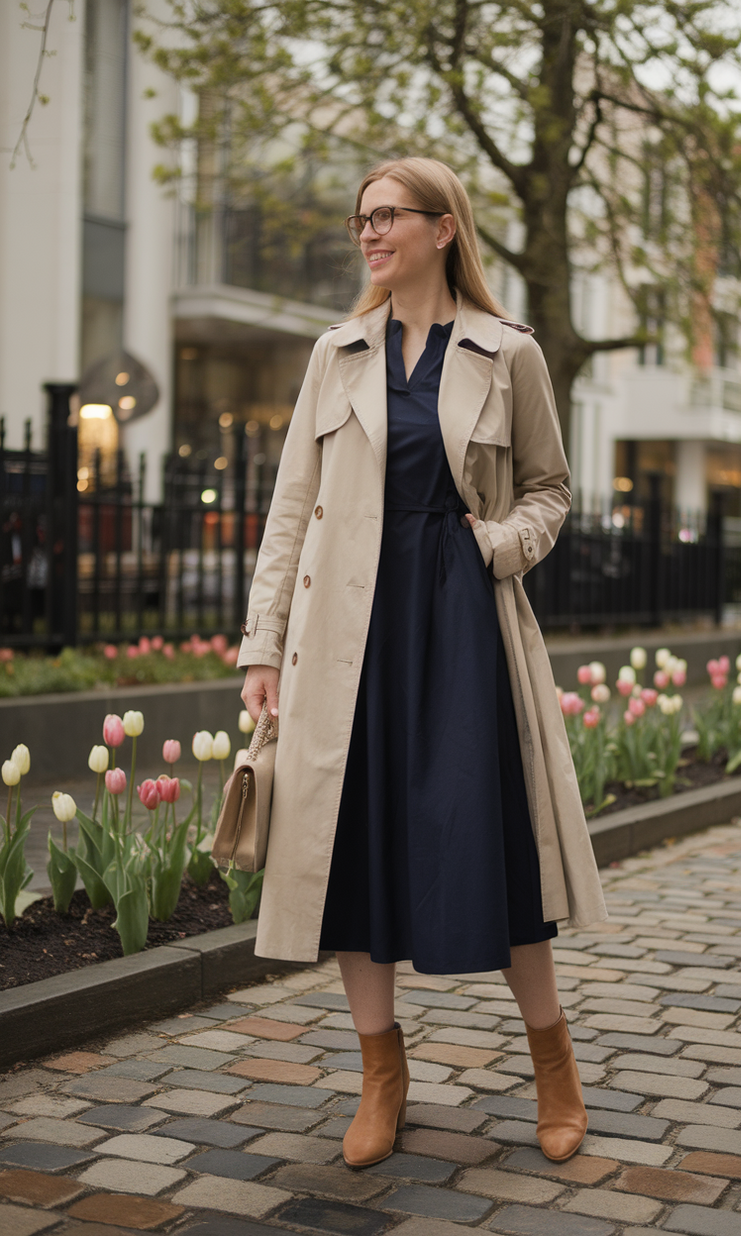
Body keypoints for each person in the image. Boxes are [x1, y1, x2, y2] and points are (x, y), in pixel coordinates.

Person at [238, 156, 607, 1170]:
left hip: (461, 628)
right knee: (352, 845)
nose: (368, 233)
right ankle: (380, 1074)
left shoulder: (506, 352)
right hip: (346, 635)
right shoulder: (336, 353)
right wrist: (261, 650)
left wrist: (497, 547)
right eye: (360, 218)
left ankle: (552, 1063)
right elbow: (286, 515)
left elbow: (548, 489)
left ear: (443, 229)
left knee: (488, 840)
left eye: (387, 216)